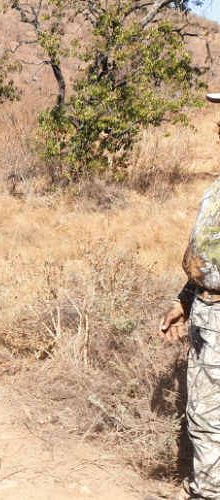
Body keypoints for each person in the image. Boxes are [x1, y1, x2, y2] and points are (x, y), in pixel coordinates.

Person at [158, 94, 220, 500]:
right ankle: (202, 488)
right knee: (202, 413)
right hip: (205, 313)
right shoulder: (216, 186)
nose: (218, 126)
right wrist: (185, 299)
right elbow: (206, 252)